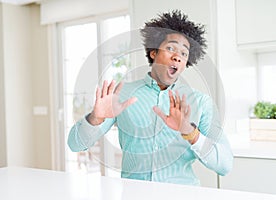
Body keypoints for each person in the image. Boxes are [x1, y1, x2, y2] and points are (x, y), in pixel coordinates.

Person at [68, 10, 233, 186]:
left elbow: (225, 165)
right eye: (170, 48)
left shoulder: (201, 103)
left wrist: (190, 132)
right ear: (153, 52)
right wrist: (96, 117)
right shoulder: (122, 94)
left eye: (184, 54)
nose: (177, 57)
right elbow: (74, 145)